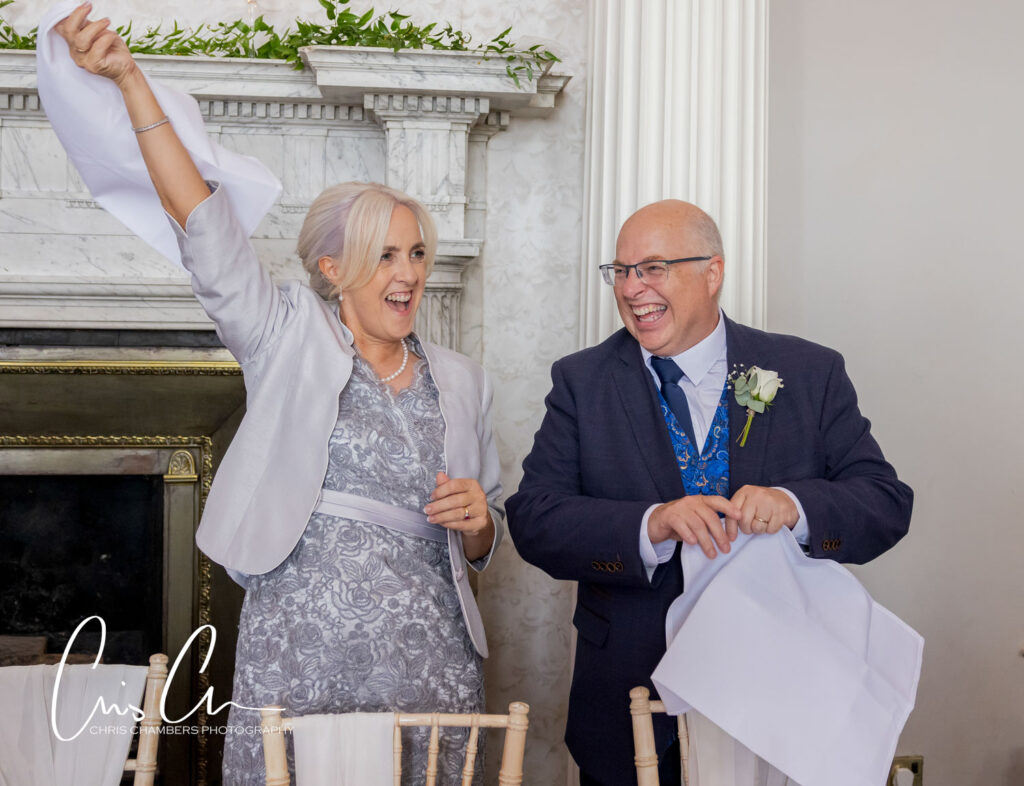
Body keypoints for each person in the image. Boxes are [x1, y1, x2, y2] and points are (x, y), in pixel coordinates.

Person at [53, 5, 503, 784]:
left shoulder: (462, 378)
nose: (409, 274)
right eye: (384, 254)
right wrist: (129, 81)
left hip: (430, 654)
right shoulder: (283, 334)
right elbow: (201, 217)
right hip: (306, 647)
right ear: (332, 268)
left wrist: (477, 525)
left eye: (418, 254)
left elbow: (487, 535)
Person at [505, 199, 913, 785]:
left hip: (780, 700)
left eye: (653, 268)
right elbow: (535, 518)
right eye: (620, 271)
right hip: (629, 698)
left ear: (713, 271)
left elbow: (885, 502)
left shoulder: (807, 372)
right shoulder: (582, 381)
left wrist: (794, 507)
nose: (632, 288)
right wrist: (652, 524)